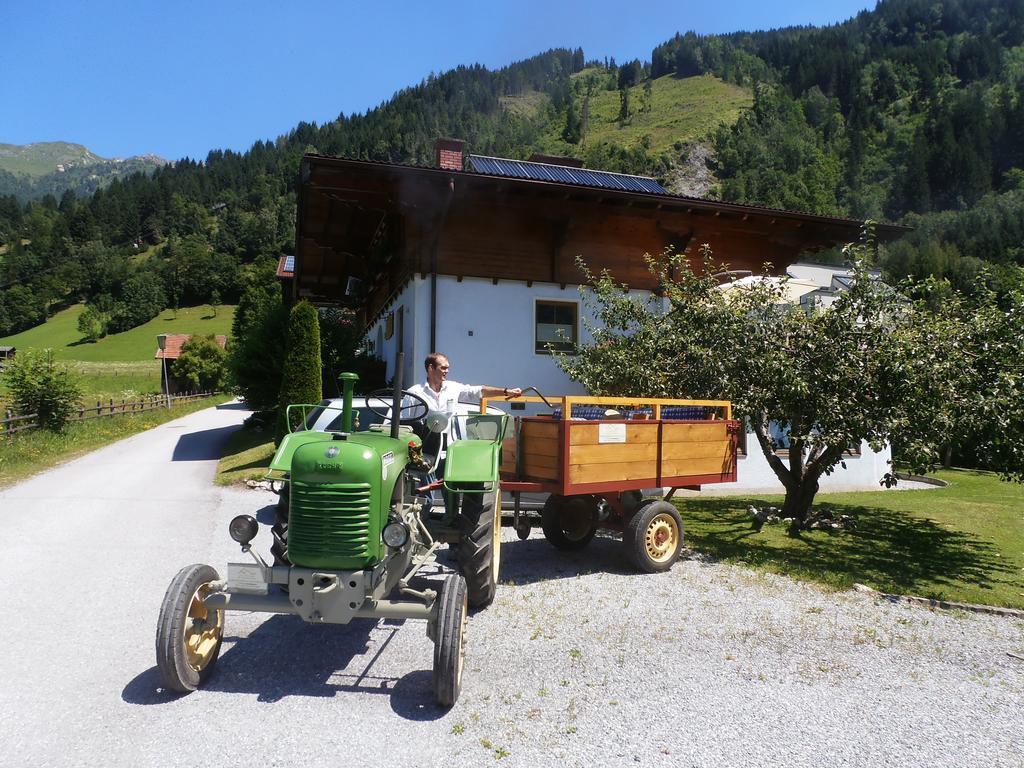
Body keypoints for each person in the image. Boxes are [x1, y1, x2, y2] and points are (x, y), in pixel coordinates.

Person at [406, 352, 522, 415]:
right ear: (431, 368)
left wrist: (506, 391)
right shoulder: (414, 393)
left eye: (448, 368)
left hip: (449, 449)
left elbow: (479, 391)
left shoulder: (453, 388)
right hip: (422, 450)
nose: (447, 371)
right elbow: (402, 424)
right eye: (443, 368)